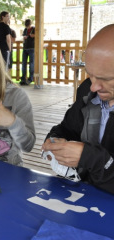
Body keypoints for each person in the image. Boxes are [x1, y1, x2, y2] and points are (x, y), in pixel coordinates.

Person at [41, 24, 114, 194]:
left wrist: (88, 157)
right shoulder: (87, 91)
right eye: (90, 74)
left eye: (104, 79)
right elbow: (67, 128)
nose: (94, 86)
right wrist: (55, 140)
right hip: (80, 197)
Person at [20, 19, 35, 86]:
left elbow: (34, 35)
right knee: (23, 63)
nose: (27, 27)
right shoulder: (25, 30)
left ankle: (30, 79)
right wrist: (24, 37)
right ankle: (23, 78)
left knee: (31, 64)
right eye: (26, 26)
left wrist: (30, 35)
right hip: (25, 48)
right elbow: (23, 36)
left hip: (32, 48)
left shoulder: (34, 29)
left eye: (28, 26)